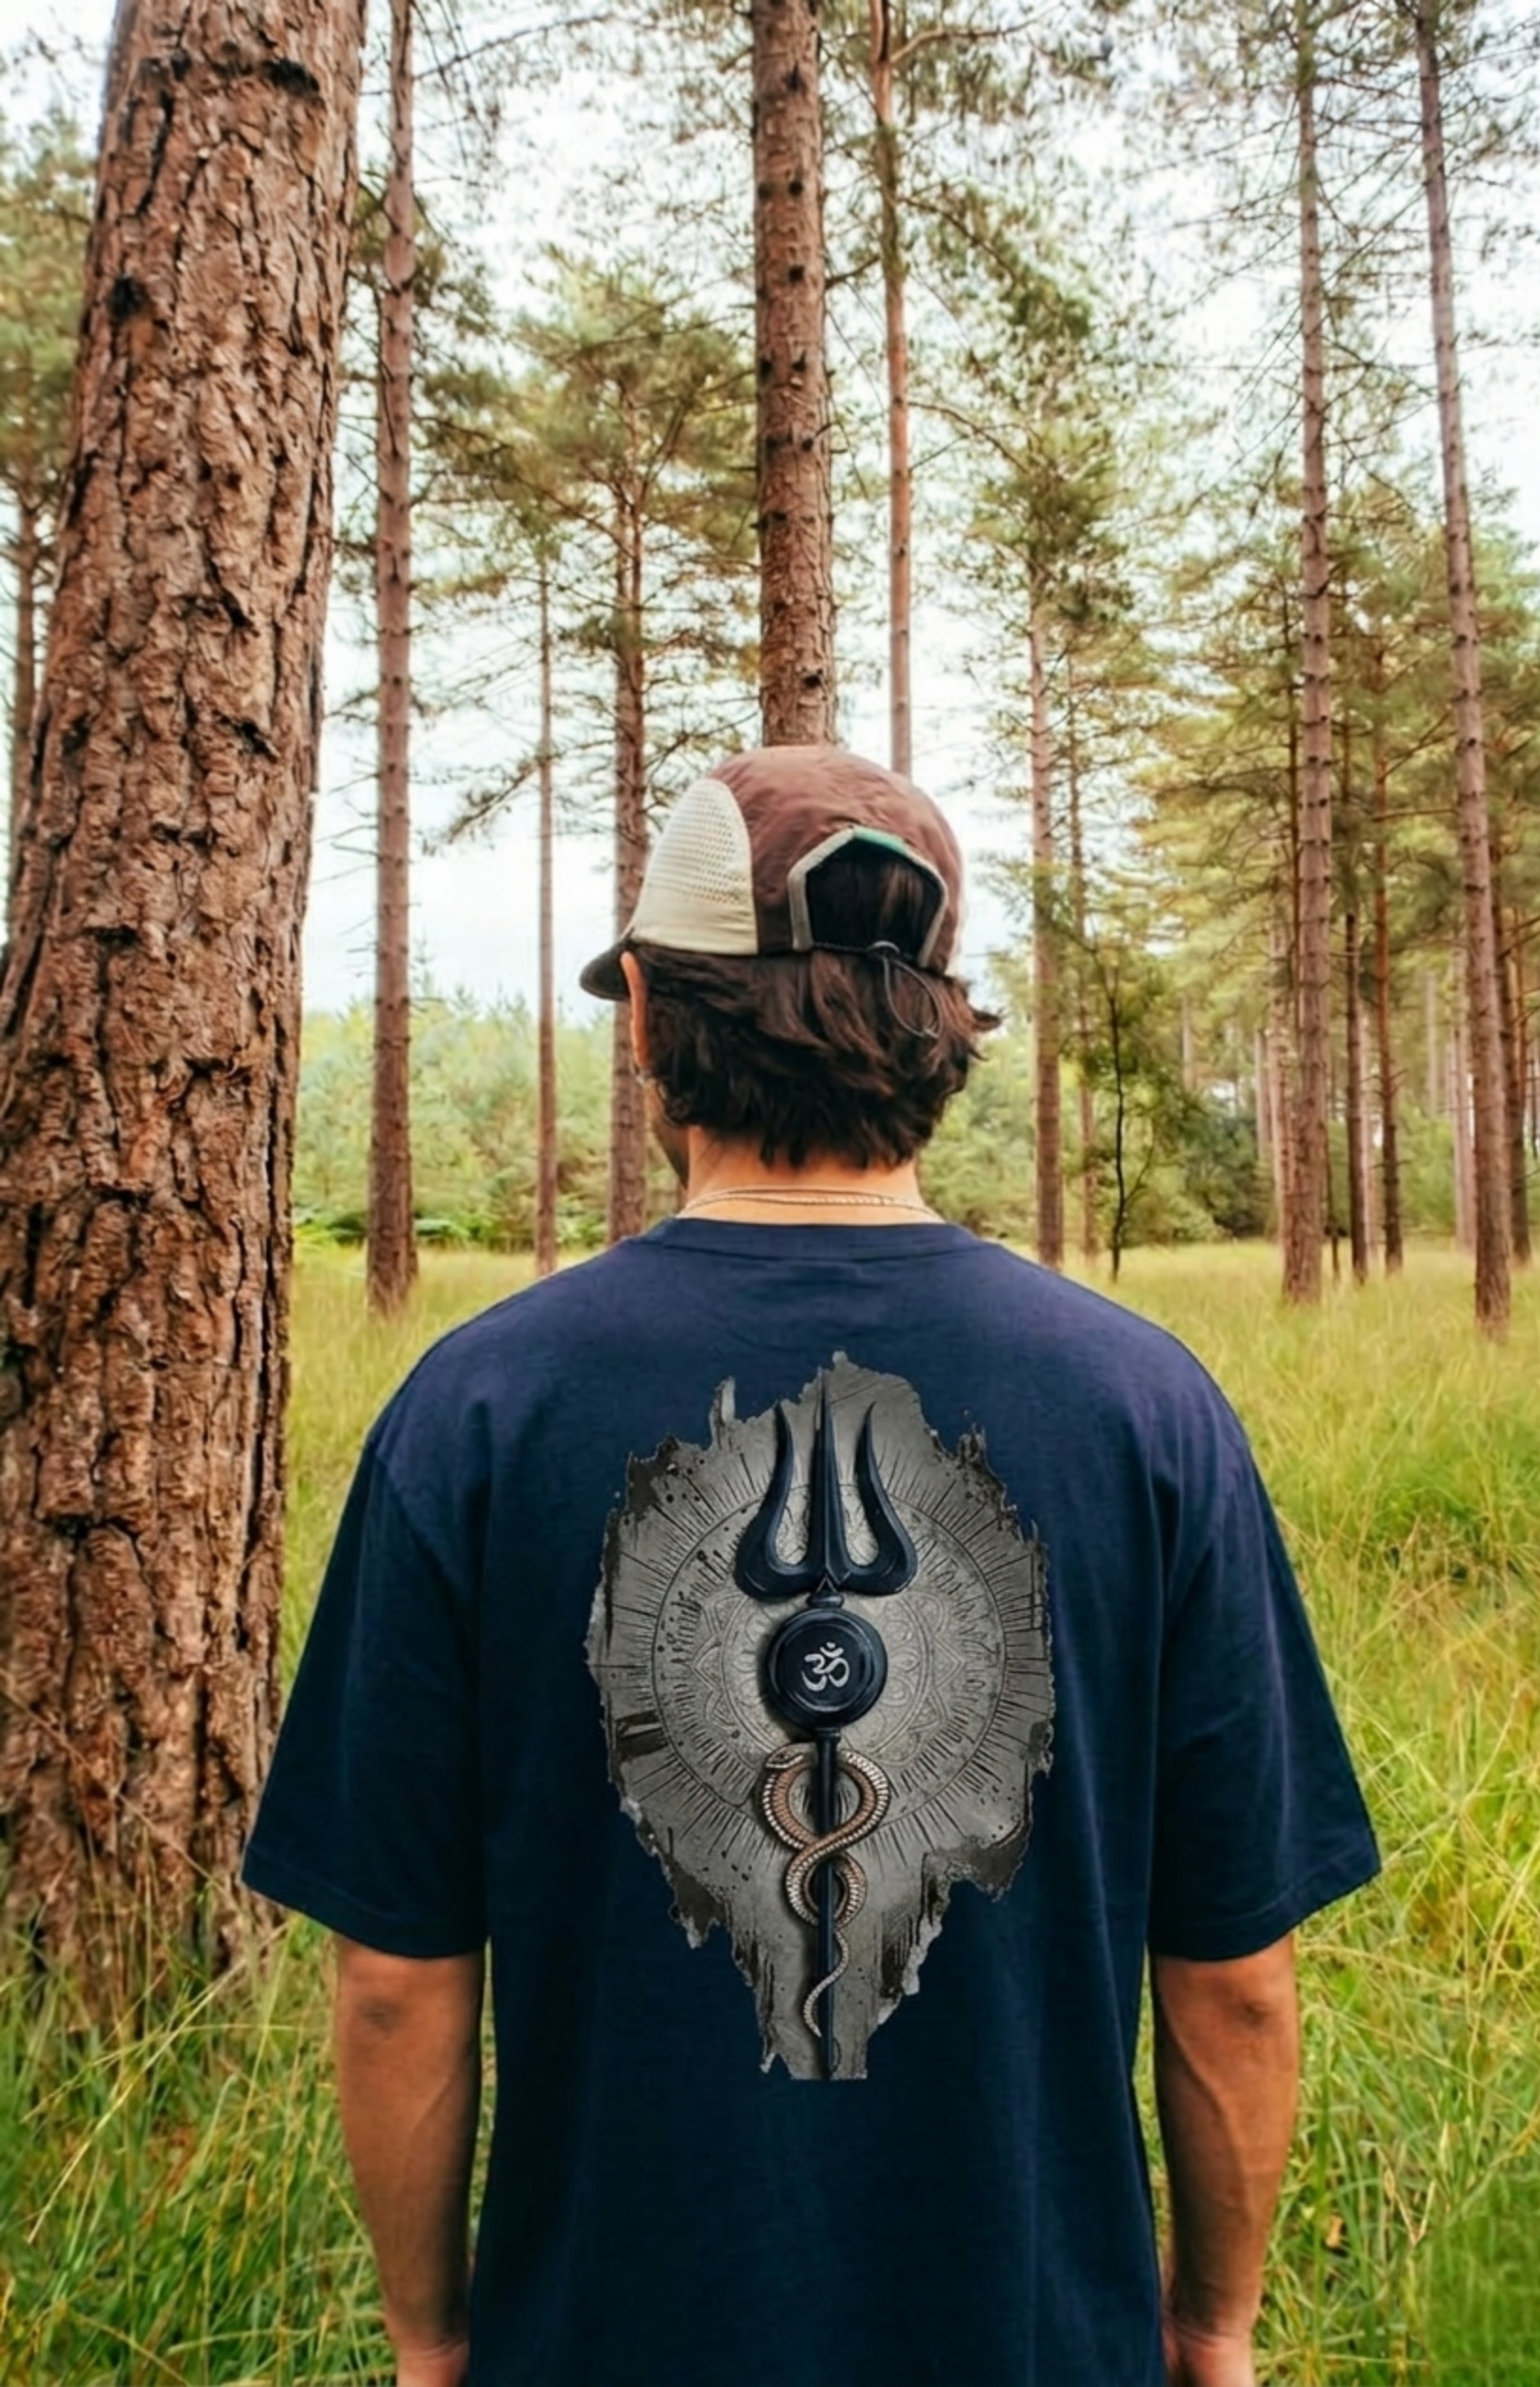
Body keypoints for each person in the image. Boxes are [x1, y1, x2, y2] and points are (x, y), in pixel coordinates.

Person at [244, 745, 1380, 2387]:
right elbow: (1236, 1984)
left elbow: (396, 1984)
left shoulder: (479, 1412)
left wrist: (430, 2344)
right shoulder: (1146, 1412)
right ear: (941, 1029)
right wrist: (1212, 2332)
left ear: (649, 1015)